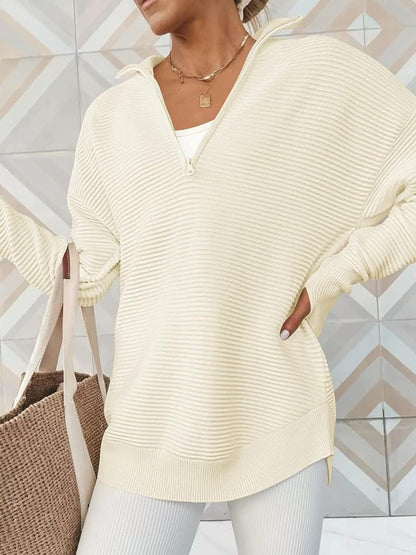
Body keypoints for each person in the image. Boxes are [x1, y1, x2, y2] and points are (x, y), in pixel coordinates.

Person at [1, 0, 416, 553]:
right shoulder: (112, 117)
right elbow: (88, 276)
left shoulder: (316, 73)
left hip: (275, 416)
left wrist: (336, 274)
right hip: (148, 428)